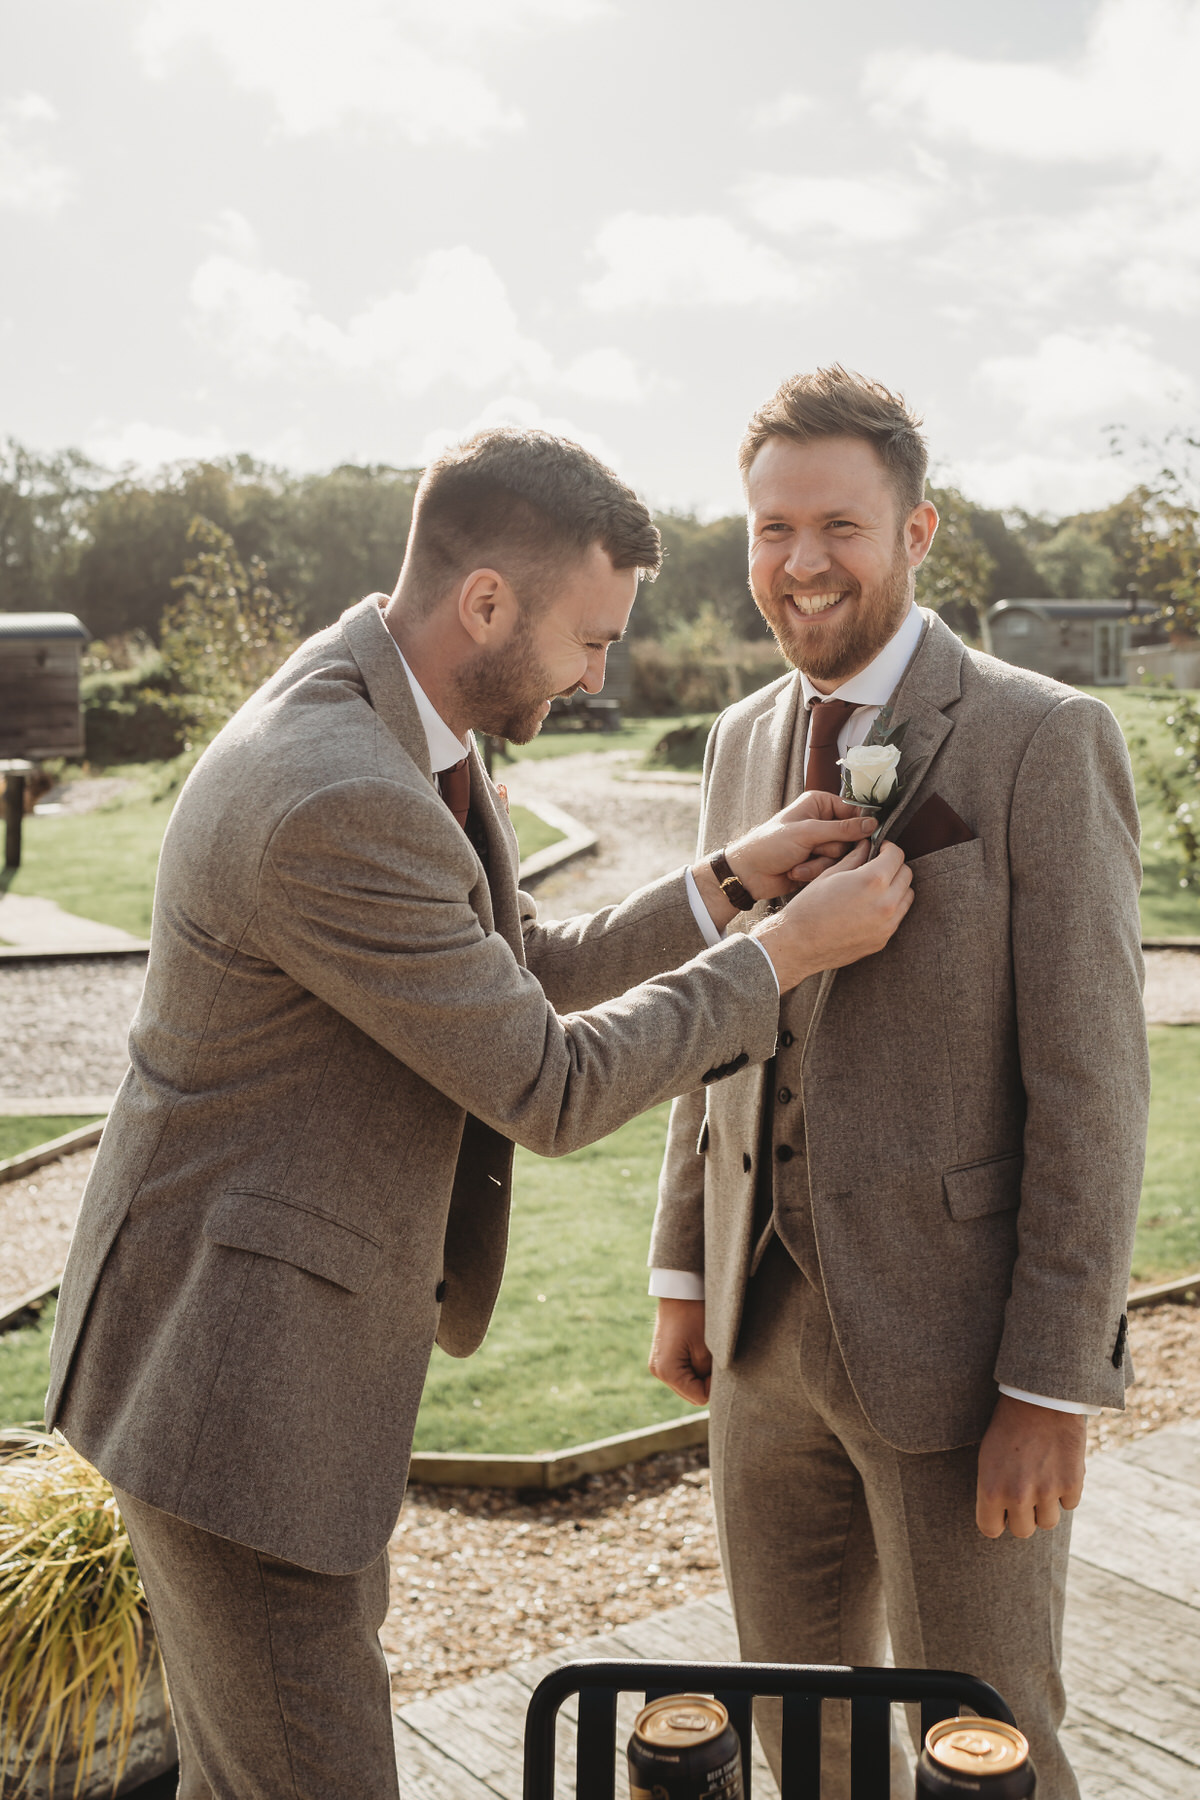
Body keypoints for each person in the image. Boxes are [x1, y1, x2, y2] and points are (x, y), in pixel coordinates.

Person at [46, 427, 912, 1800]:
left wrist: (726, 883)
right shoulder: (336, 790)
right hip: (237, 1390)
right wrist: (785, 954)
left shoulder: (384, 711)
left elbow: (509, 968)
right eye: (592, 639)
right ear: (488, 604)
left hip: (246, 1362)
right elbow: (548, 1082)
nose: (598, 673)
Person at [647, 369, 1149, 1800]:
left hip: (958, 1351)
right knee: (794, 1728)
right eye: (768, 528)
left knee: (984, 1744)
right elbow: (716, 1020)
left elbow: (1095, 1084)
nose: (799, 563)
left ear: (918, 531)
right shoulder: (738, 741)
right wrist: (683, 1270)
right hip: (757, 1336)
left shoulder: (1043, 736)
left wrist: (1051, 1380)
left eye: (838, 526)